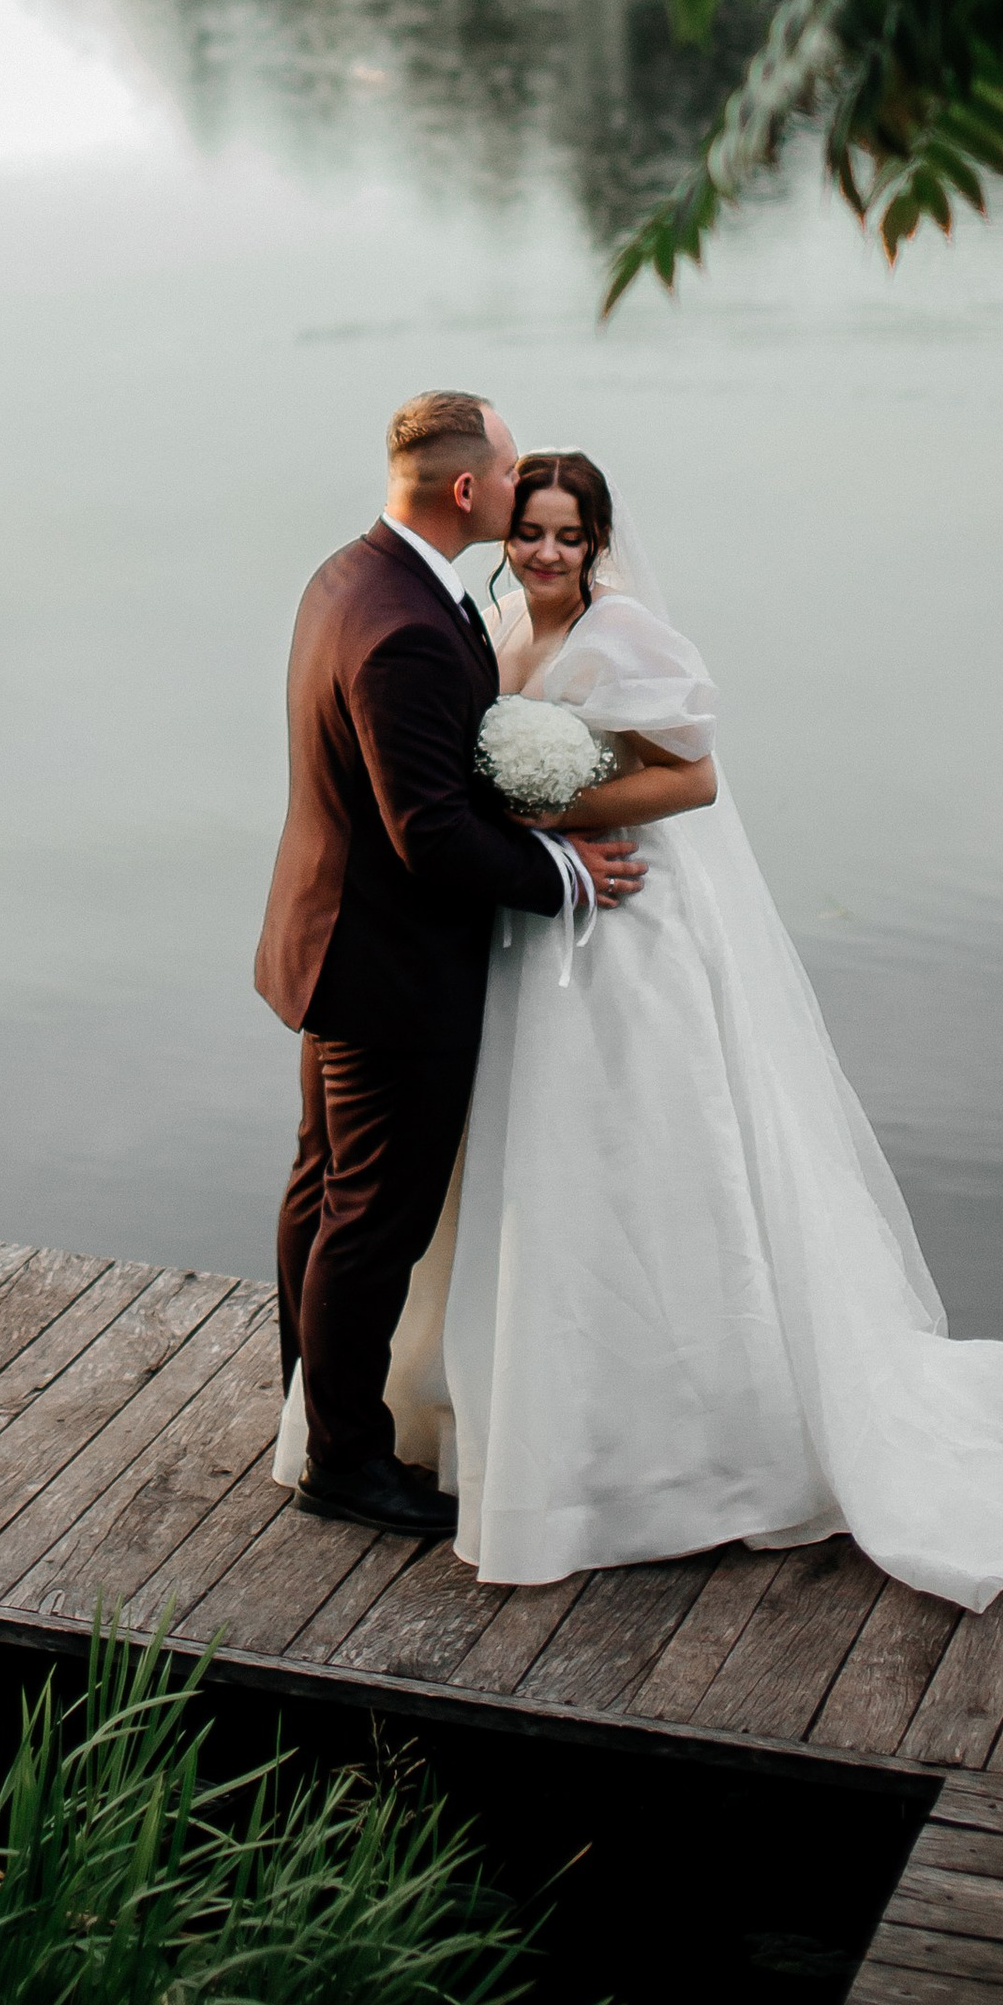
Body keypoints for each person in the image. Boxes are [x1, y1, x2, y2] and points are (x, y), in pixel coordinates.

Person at [364, 449, 1003, 1610]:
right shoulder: (499, 620)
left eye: (568, 534)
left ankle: (692, 1455)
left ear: (597, 540)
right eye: (530, 533)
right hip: (541, 924)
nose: (547, 552)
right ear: (505, 537)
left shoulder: (627, 639)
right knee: (539, 1164)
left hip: (626, 926)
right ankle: (538, 1423)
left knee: (644, 1156)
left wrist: (544, 809)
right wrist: (521, 834)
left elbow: (693, 781)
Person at [253, 393, 644, 1540]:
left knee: (324, 1187)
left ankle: (310, 1401)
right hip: (390, 966)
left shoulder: (351, 575)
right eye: (511, 472)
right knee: (373, 1215)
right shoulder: (411, 628)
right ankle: (344, 1461)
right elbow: (428, 833)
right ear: (467, 490)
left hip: (331, 935)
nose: (521, 488)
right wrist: (569, 874)